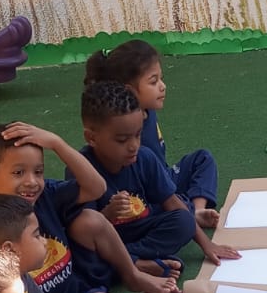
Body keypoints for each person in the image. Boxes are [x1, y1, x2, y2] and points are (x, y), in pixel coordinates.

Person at [0, 121, 180, 293]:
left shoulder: (46, 195)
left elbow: (97, 188)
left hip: (77, 278)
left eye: (38, 172)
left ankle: (133, 274)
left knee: (89, 219)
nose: (32, 182)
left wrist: (57, 144)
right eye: (18, 173)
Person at [80, 80, 241, 270]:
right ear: (92, 138)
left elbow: (172, 203)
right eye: (122, 140)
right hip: (110, 236)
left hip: (145, 229)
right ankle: (135, 263)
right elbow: (84, 230)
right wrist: (108, 213)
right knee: (82, 253)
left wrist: (207, 245)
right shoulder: (82, 169)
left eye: (138, 135)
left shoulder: (144, 157)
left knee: (184, 220)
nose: (134, 146)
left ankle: (127, 261)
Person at [85, 40, 221, 231]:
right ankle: (188, 213)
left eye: (161, 79)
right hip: (147, 190)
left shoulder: (148, 110)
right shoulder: (125, 127)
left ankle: (197, 210)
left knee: (203, 159)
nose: (162, 86)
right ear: (129, 91)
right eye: (153, 82)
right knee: (159, 207)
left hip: (164, 178)